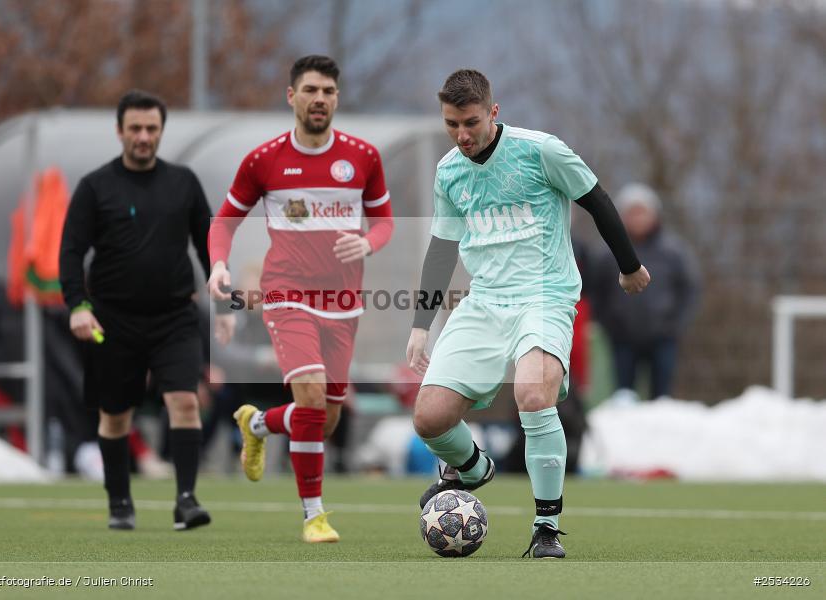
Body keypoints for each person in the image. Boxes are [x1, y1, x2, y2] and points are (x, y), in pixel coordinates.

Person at [406, 69, 650, 559]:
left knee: (534, 392)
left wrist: (629, 266)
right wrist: (419, 325)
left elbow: (597, 201)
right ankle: (473, 470)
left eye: (471, 122)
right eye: (452, 124)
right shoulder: (449, 171)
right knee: (429, 418)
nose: (462, 135)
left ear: (493, 112)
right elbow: (441, 249)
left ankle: (546, 528)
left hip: (545, 295)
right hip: (484, 301)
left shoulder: (541, 151)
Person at [208, 55, 394, 543]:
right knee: (310, 399)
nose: (320, 99)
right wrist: (220, 264)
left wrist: (368, 243)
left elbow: (386, 222)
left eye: (328, 91)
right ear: (292, 96)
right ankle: (314, 516)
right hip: (287, 294)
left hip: (344, 303)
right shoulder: (264, 159)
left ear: (337, 97)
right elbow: (225, 220)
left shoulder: (363, 157)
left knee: (325, 418)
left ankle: (259, 424)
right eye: (311, 90)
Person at [60, 90, 230, 531]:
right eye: (134, 128)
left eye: (151, 128)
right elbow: (70, 252)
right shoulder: (96, 187)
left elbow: (210, 244)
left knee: (184, 401)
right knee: (115, 415)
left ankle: (187, 500)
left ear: (160, 131)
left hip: (175, 317)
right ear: (119, 131)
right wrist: (78, 305)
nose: (143, 136)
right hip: (112, 321)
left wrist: (224, 299)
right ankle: (119, 502)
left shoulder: (183, 182)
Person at [591, 183, 700, 399]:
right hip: (621, 337)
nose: (638, 219)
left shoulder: (674, 252)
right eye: (632, 213)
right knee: (623, 397)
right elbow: (596, 291)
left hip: (663, 337)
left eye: (643, 212)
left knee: (662, 398)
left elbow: (689, 289)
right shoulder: (606, 254)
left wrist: (674, 325)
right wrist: (609, 324)